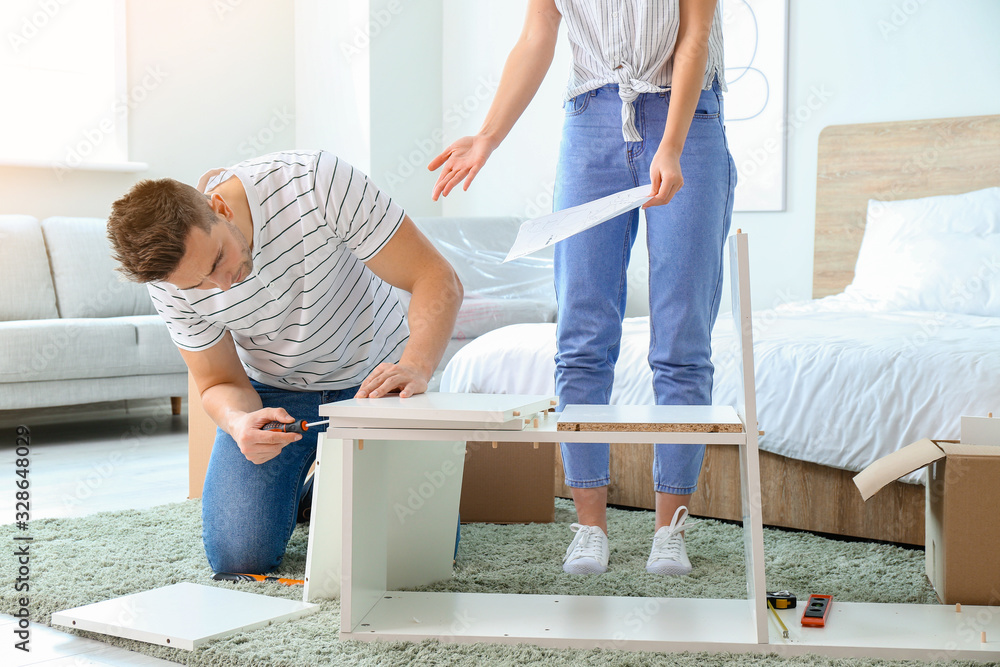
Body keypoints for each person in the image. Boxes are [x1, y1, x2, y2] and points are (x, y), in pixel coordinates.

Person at [428, 0, 735, 576]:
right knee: (582, 335)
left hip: (689, 117)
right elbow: (539, 33)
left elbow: (695, 35)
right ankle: (590, 526)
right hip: (591, 115)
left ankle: (669, 530)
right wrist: (488, 136)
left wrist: (668, 143)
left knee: (681, 338)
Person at [107, 149, 463, 574]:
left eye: (218, 261)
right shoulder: (169, 280)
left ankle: (332, 483)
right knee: (241, 557)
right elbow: (218, 381)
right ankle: (322, 487)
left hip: (378, 384)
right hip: (274, 396)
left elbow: (437, 278)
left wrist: (416, 366)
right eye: (199, 285)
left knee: (412, 553)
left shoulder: (315, 182)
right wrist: (240, 423)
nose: (221, 286)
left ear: (219, 208)